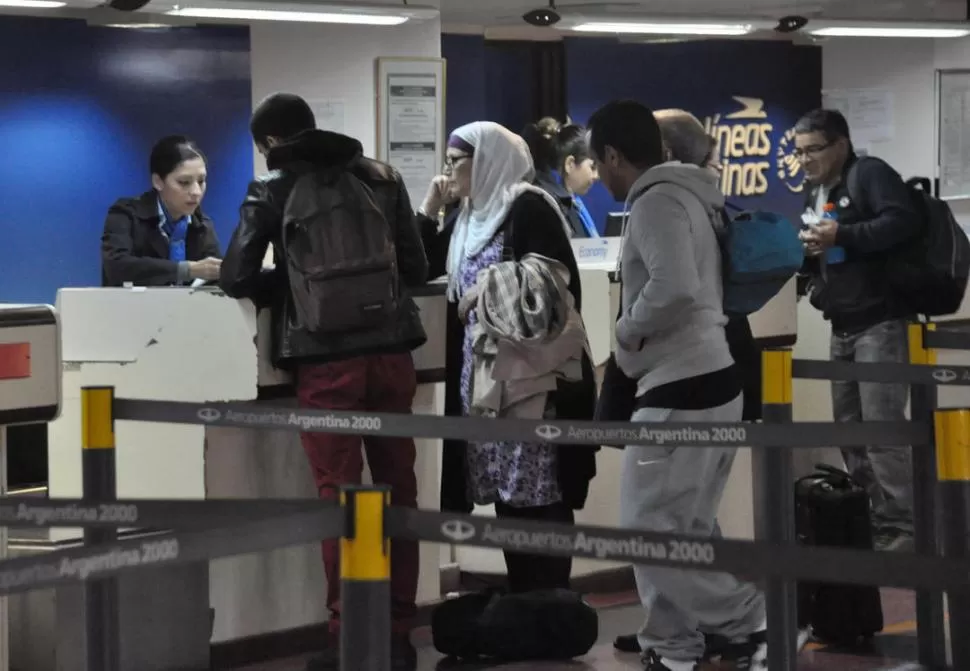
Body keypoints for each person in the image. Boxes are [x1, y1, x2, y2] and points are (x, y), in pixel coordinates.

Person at [219, 92, 428, 671]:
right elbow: (415, 268)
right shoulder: (381, 178)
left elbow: (236, 275)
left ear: (268, 144)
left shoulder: (273, 188)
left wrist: (287, 282)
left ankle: (348, 638)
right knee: (398, 494)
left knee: (340, 501)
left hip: (324, 361)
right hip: (391, 356)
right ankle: (399, 635)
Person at [589, 100, 768, 671]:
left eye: (599, 162)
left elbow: (675, 288)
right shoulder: (692, 194)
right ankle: (672, 644)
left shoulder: (655, 202)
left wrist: (625, 329)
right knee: (684, 527)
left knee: (648, 531)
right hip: (711, 377)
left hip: (681, 384)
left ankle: (749, 619)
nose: (600, 176)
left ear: (614, 155)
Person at [418, 121, 598, 594]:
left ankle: (551, 605)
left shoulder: (528, 207)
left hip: (531, 380)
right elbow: (420, 265)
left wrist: (489, 286)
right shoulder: (466, 217)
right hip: (482, 381)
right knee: (506, 490)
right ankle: (526, 602)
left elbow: (555, 286)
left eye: (458, 161)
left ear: (489, 160)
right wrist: (429, 209)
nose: (450, 172)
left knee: (539, 490)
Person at [795, 108, 920, 552]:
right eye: (800, 152)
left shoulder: (869, 174)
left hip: (880, 322)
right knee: (849, 428)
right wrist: (813, 277)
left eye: (813, 150)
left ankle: (904, 526)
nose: (805, 160)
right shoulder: (814, 190)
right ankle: (872, 516)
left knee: (882, 431)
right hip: (842, 323)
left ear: (840, 145)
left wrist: (841, 236)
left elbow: (904, 222)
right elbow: (819, 248)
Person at [101, 135, 222, 286]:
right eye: (184, 182)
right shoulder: (125, 214)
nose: (196, 191)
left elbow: (215, 279)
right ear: (158, 182)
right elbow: (117, 267)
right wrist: (188, 270)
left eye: (201, 181)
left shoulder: (203, 225)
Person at [523, 122, 599, 237]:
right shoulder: (548, 207)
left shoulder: (569, 203)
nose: (597, 176)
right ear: (570, 164)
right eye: (592, 167)